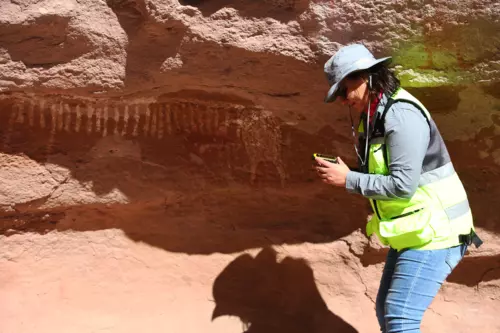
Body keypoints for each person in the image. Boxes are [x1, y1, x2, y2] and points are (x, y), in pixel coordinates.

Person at [314, 43, 483, 333]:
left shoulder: (400, 116)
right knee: (387, 311)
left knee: (400, 316)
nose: (343, 100)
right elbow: (389, 174)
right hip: (416, 230)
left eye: (344, 90)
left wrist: (349, 179)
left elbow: (403, 186)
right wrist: (350, 173)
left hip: (437, 232)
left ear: (364, 77)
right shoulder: (375, 115)